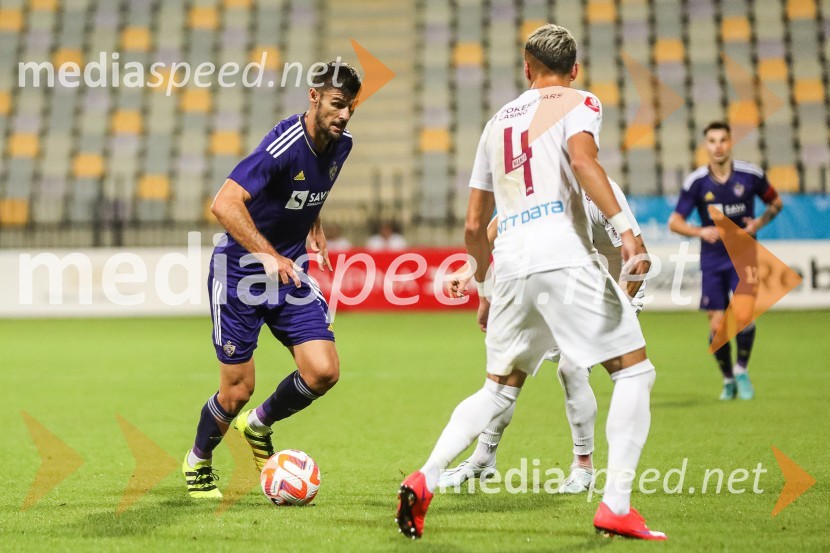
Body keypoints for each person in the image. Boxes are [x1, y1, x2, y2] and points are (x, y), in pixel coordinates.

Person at [395, 24, 666, 541]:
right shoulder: (578, 101)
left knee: (497, 391)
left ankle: (425, 476)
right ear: (575, 69)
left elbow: (475, 226)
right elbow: (585, 162)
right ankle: (615, 505)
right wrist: (627, 231)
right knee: (634, 373)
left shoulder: (496, 123)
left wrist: (486, 288)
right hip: (562, 256)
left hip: (513, 265)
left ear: (526, 67)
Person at [181, 62, 362, 499]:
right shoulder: (283, 144)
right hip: (240, 274)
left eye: (351, 108)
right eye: (337, 105)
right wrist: (268, 254)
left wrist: (313, 220)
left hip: (287, 271)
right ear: (314, 97)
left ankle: (258, 425)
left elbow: (303, 186)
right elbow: (224, 204)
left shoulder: (342, 145)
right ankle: (198, 461)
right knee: (237, 388)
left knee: (322, 371)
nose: (344, 116)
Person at [438, 178, 648, 495]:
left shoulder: (601, 192)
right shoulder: (543, 184)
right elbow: (500, 223)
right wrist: (470, 271)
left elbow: (639, 258)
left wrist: (610, 310)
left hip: (617, 288)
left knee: (572, 368)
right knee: (509, 365)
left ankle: (583, 468)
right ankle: (483, 459)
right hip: (566, 284)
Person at [668, 121, 783, 401]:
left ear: (730, 143)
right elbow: (674, 222)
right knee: (717, 327)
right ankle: (728, 379)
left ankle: (742, 370)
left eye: (722, 140)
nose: (718, 146)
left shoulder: (751, 175)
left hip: (744, 254)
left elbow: (776, 203)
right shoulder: (696, 182)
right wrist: (699, 230)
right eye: (712, 140)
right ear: (705, 145)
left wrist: (757, 224)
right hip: (713, 258)